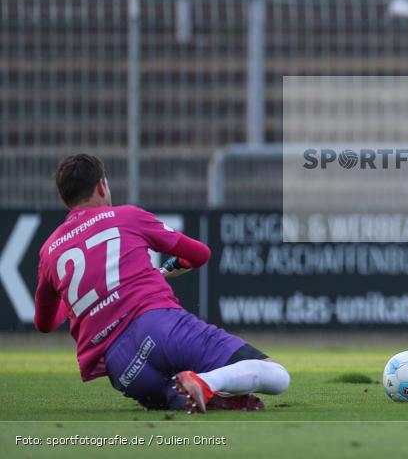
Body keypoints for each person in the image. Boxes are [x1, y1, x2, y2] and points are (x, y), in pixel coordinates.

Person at [33, 154, 291, 413]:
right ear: (101, 186)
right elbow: (200, 254)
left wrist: (80, 303)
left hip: (121, 366)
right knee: (277, 375)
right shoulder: (126, 216)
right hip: (159, 327)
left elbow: (44, 324)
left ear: (65, 199)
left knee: (172, 394)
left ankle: (189, 394)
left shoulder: (49, 251)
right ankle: (207, 382)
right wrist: (168, 269)